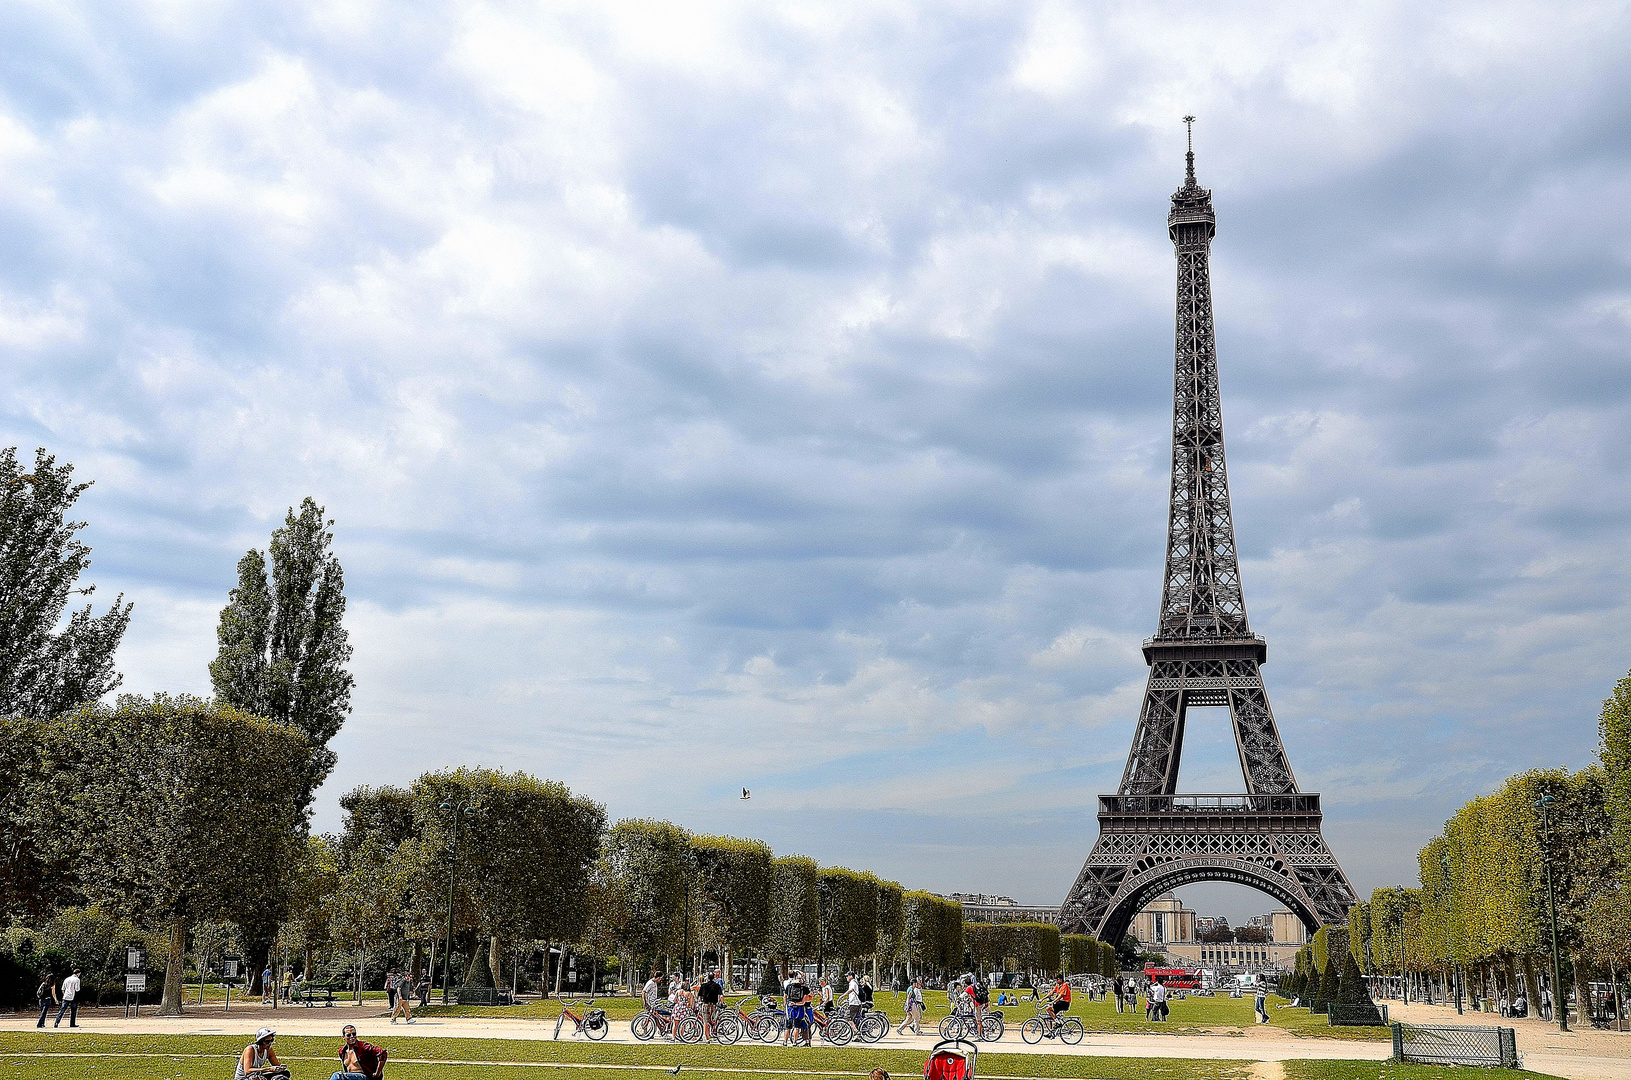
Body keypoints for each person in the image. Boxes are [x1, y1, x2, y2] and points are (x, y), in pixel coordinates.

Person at [784, 971, 812, 1046]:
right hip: (799, 1008)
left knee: (788, 1027)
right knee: (797, 1027)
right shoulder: (804, 988)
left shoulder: (789, 986)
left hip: (790, 1008)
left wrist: (786, 1004)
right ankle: (794, 1042)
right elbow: (807, 999)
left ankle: (785, 1042)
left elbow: (785, 996)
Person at [698, 969, 723, 1041]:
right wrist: (722, 1003)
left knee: (705, 1021)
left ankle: (707, 1037)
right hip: (713, 1005)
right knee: (712, 1020)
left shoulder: (703, 986)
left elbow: (700, 996)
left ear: (708, 978)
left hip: (705, 1004)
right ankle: (712, 1032)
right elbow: (721, 995)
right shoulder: (717, 985)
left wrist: (699, 1002)